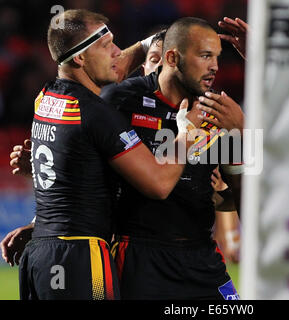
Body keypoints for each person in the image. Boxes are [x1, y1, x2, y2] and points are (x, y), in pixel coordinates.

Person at [9, 9, 202, 300]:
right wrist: (187, 134)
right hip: (79, 257)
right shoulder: (97, 114)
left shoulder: (46, 98)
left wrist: (153, 42)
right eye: (106, 45)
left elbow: (73, 169)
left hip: (40, 253)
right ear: (80, 58)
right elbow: (159, 183)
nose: (117, 52)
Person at [102, 17, 244, 300]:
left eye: (216, 57)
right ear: (171, 57)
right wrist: (40, 223)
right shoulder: (121, 100)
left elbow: (247, 198)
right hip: (139, 255)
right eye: (205, 56)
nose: (214, 66)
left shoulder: (222, 111)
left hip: (202, 256)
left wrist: (243, 135)